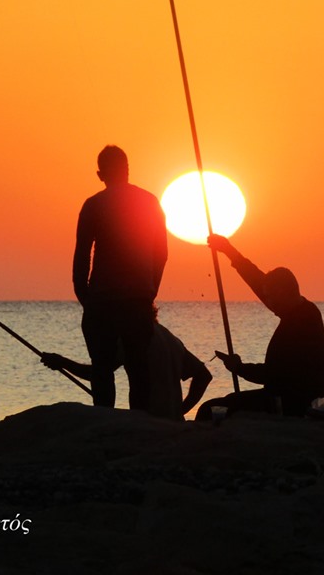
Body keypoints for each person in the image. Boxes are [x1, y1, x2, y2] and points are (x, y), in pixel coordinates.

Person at [73, 145, 168, 411]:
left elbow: (82, 257)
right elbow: (162, 253)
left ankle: (106, 419)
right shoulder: (149, 202)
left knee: (102, 369)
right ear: (127, 170)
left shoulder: (93, 205)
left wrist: (85, 299)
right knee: (138, 368)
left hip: (103, 299)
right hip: (136, 299)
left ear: (100, 174)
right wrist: (150, 290)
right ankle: (140, 421)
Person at [196, 235, 324, 420]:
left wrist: (239, 368)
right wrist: (229, 251)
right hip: (285, 396)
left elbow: (273, 375)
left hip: (291, 403)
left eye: (271, 297)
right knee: (224, 403)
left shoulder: (301, 323)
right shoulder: (300, 310)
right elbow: (257, 281)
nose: (268, 302)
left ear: (283, 293)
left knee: (210, 410)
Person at [40, 320, 212, 421]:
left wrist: (62, 362)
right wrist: (180, 410)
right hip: (174, 422)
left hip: (148, 422)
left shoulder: (131, 337)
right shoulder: (169, 337)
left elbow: (98, 374)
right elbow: (204, 375)